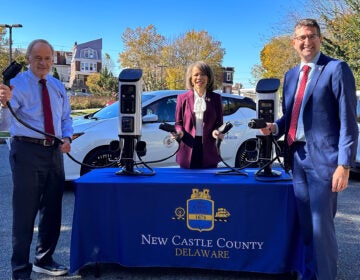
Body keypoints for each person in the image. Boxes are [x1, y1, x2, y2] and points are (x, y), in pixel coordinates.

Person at [260, 19, 358, 280]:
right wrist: (274, 128)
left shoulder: (337, 69)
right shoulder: (291, 75)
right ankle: (308, 275)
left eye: (311, 36)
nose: (306, 42)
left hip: (325, 162)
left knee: (320, 229)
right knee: (305, 227)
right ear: (294, 43)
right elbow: (290, 117)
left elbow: (349, 121)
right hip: (298, 160)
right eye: (301, 37)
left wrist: (344, 164)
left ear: (320, 39)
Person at [0, 39, 73, 279]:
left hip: (53, 152)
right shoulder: (16, 85)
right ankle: (20, 270)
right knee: (25, 213)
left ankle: (44, 259)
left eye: (47, 58)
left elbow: (65, 118)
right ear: (29, 59)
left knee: (52, 210)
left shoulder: (57, 85)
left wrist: (67, 137)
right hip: (27, 152)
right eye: (38, 58)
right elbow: (5, 124)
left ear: (53, 60)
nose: (43, 63)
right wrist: (3, 104)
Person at [174, 61, 224, 168]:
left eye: (203, 74)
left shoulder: (216, 98)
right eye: (196, 75)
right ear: (191, 78)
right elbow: (178, 123)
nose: (199, 77)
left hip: (209, 149)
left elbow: (219, 122)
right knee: (187, 183)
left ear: (208, 78)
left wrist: (217, 131)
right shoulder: (182, 98)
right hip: (188, 148)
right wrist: (179, 132)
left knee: (209, 182)